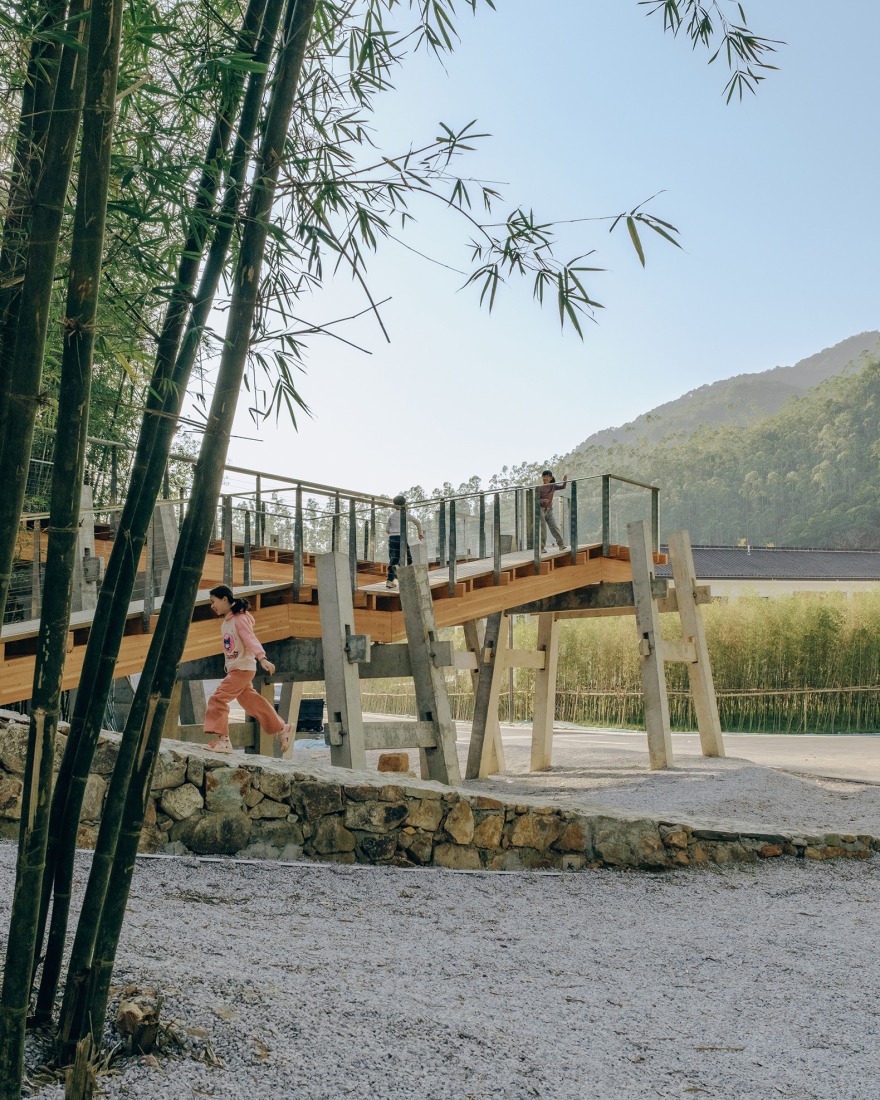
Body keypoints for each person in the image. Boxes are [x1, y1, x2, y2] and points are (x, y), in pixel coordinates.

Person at [204, 585, 292, 754]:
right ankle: (282, 728)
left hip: (242, 669)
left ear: (224, 599)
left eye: (213, 601)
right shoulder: (227, 622)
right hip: (236, 669)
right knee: (253, 704)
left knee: (217, 699)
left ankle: (224, 741)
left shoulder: (240, 619)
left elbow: (250, 639)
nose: (211, 605)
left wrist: (262, 658)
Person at [385, 494, 424, 588]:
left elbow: (387, 529)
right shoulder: (405, 514)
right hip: (401, 538)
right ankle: (398, 569)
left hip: (392, 538)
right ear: (404, 504)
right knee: (408, 558)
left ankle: (390, 581)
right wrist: (420, 533)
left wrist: (392, 533)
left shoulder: (391, 516)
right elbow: (417, 522)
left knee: (393, 559)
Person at [538, 470, 568, 552]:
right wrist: (543, 501)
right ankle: (541, 548)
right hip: (541, 510)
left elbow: (563, 487)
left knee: (554, 527)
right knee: (543, 529)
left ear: (551, 478)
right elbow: (535, 500)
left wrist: (565, 481)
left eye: (547, 476)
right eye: (543, 476)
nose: (545, 478)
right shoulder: (540, 488)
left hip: (549, 510)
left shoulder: (553, 486)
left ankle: (561, 545)